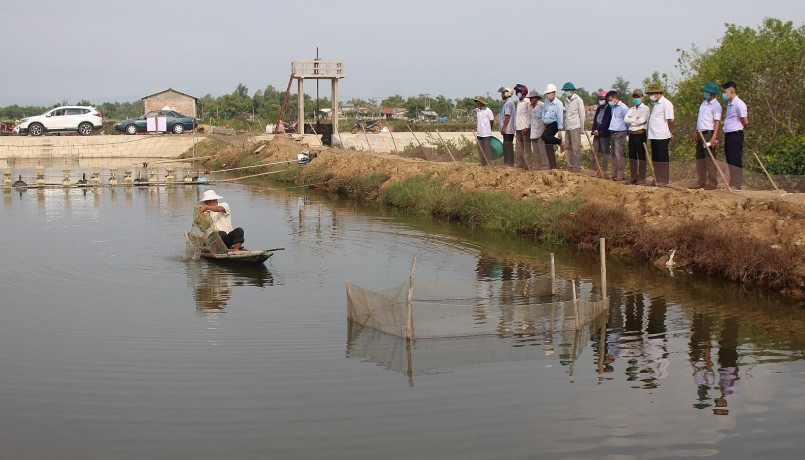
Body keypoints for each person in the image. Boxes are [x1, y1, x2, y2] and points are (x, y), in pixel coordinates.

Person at [690, 82, 723, 190]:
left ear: (711, 93)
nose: (705, 93)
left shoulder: (716, 105)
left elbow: (717, 122)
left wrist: (714, 137)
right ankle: (701, 181)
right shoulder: (703, 103)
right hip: (700, 132)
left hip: (709, 133)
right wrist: (696, 131)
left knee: (709, 159)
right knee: (700, 158)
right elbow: (700, 119)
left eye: (707, 92)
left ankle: (712, 182)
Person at [721, 81, 749, 191]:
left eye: (725, 92)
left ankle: (737, 184)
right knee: (730, 159)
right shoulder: (729, 104)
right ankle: (732, 183)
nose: (724, 94)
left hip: (735, 134)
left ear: (731, 91)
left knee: (735, 159)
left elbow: (745, 121)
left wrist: (737, 129)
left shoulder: (739, 104)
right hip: (728, 134)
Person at [646, 83, 674, 186]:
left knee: (662, 158)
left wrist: (668, 131)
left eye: (652, 93)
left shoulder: (666, 104)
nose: (651, 96)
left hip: (662, 135)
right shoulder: (655, 104)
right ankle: (657, 178)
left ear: (657, 93)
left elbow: (670, 120)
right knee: (656, 158)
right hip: (654, 136)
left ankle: (663, 179)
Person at [624, 89, 650, 185]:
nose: (636, 99)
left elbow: (642, 120)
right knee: (632, 156)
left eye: (638, 97)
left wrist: (632, 120)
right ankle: (633, 176)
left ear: (642, 97)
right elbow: (626, 119)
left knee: (641, 156)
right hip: (632, 134)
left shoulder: (646, 109)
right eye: (635, 97)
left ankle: (642, 177)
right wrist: (635, 119)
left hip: (640, 134)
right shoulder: (631, 109)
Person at [562, 82, 586, 172]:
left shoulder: (578, 100)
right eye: (565, 90)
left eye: (567, 90)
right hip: (568, 127)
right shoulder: (566, 100)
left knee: (576, 148)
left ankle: (577, 166)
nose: (566, 92)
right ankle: (570, 166)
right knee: (568, 148)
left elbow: (582, 115)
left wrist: (582, 128)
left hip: (575, 127)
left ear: (571, 91)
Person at [607, 90, 629, 181]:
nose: (610, 102)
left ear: (615, 98)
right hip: (613, 131)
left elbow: (627, 120)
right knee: (613, 154)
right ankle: (614, 173)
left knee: (618, 153)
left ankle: (621, 174)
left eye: (610, 99)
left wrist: (626, 131)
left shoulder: (623, 107)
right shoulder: (613, 107)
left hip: (620, 131)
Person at [540, 83, 563, 169]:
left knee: (544, 136)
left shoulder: (559, 104)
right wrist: (543, 122)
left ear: (553, 93)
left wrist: (560, 130)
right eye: (547, 93)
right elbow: (544, 112)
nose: (548, 95)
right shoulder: (546, 101)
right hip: (547, 123)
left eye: (549, 93)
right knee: (548, 145)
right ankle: (553, 166)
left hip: (555, 123)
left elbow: (560, 117)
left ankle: (559, 142)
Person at [591, 90, 612, 178]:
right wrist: (594, 130)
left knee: (604, 152)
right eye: (600, 99)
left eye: (602, 99)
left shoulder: (609, 109)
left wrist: (599, 130)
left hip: (604, 133)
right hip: (596, 133)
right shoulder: (599, 108)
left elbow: (606, 121)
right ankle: (596, 169)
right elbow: (596, 120)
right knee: (595, 151)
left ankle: (603, 170)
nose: (601, 100)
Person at [527, 90, 548, 170]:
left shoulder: (542, 106)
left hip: (541, 131)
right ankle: (538, 166)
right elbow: (529, 119)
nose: (531, 99)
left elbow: (546, 116)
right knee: (535, 151)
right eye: (530, 98)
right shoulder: (530, 107)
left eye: (533, 98)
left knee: (542, 150)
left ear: (536, 98)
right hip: (533, 132)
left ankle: (545, 165)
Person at [513, 84, 532, 170]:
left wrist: (527, 126)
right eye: (517, 92)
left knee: (527, 148)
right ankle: (521, 163)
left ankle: (528, 165)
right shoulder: (518, 102)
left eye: (519, 92)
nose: (517, 94)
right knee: (519, 147)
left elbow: (529, 115)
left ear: (523, 92)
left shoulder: (527, 102)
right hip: (518, 127)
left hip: (525, 128)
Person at [498, 86, 517, 166]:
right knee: (506, 145)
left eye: (502, 93)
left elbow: (507, 116)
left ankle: (509, 163)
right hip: (508, 129)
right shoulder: (508, 102)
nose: (501, 95)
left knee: (507, 146)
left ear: (507, 93)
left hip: (508, 129)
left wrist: (504, 128)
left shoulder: (508, 103)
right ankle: (508, 162)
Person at [474, 96, 495, 166]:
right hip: (479, 133)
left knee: (487, 149)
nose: (476, 103)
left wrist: (489, 129)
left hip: (486, 134)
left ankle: (489, 163)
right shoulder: (477, 110)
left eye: (477, 102)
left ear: (481, 103)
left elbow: (492, 121)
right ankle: (482, 163)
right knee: (480, 149)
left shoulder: (488, 111)